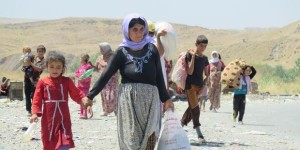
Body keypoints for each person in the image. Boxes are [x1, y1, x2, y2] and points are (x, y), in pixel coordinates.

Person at [82, 13, 174, 150]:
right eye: (134, 29)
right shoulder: (121, 51)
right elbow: (105, 75)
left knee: (150, 136)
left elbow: (159, 76)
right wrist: (90, 95)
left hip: (151, 100)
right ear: (127, 30)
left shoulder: (152, 49)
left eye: (142, 29)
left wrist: (166, 99)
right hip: (128, 100)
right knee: (131, 139)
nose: (139, 33)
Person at [30, 51, 86, 150]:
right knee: (49, 138)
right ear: (47, 67)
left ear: (63, 68)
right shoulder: (42, 82)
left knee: (65, 139)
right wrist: (35, 113)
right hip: (49, 119)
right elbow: (36, 99)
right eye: (51, 66)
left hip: (63, 118)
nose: (55, 69)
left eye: (58, 67)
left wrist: (85, 102)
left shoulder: (67, 81)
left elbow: (76, 94)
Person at [180, 35, 209, 143]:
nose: (203, 48)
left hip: (199, 87)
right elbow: (190, 71)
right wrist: (193, 57)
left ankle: (180, 126)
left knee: (192, 108)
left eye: (205, 46)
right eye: (201, 45)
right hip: (190, 86)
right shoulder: (189, 55)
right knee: (195, 109)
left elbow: (207, 74)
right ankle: (199, 134)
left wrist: (204, 85)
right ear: (196, 44)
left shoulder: (205, 59)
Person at [93, 42, 119, 116]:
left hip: (112, 80)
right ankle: (105, 110)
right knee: (104, 94)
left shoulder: (113, 56)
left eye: (101, 49)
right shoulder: (100, 57)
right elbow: (97, 68)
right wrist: (91, 65)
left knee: (112, 95)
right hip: (103, 80)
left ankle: (115, 109)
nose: (100, 50)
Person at [23, 45, 46, 116]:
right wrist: (24, 68)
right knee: (27, 94)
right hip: (27, 78)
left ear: (44, 52)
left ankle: (35, 110)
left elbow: (39, 69)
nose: (40, 53)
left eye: (42, 51)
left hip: (35, 79)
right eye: (39, 51)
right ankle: (29, 110)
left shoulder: (45, 61)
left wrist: (31, 64)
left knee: (34, 95)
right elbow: (25, 62)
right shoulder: (33, 57)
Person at [74, 53, 93, 119]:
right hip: (80, 86)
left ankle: (85, 114)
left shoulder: (88, 66)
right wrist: (79, 77)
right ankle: (82, 114)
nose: (80, 59)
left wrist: (84, 79)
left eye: (80, 58)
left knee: (85, 100)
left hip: (85, 86)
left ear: (84, 58)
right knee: (81, 100)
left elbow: (90, 75)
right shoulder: (80, 67)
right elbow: (76, 73)